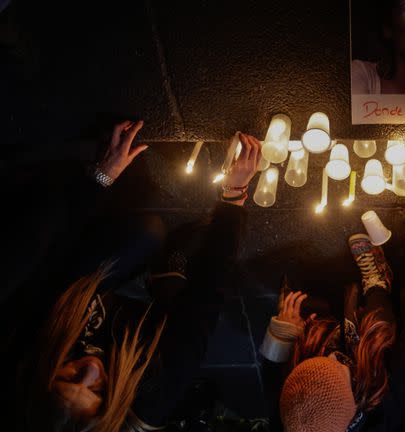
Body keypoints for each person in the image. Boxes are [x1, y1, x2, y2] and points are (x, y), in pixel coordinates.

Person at [12, 122, 262, 432]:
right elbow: (203, 305)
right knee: (199, 248)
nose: (90, 370)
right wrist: (234, 197)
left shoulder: (28, 345)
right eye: (98, 391)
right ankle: (167, 280)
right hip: (147, 319)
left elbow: (55, 256)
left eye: (69, 376)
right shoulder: (152, 397)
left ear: (43, 379)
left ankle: (155, 273)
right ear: (114, 409)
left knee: (148, 232)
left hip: (92, 286)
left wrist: (102, 176)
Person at [258, 191, 405, 431]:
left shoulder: (291, 421)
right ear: (352, 406)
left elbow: (272, 382)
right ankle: (378, 284)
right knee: (379, 329)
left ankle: (323, 325)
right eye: (338, 366)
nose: (333, 357)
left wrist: (283, 336)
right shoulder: (385, 402)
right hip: (371, 363)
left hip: (324, 343)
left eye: (320, 362)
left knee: (303, 308)